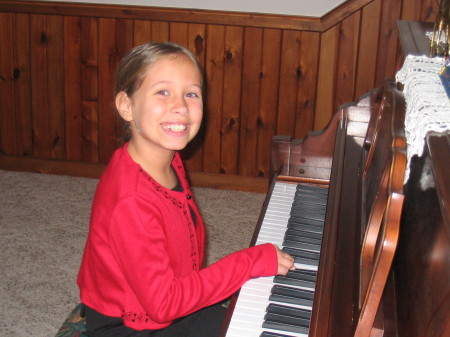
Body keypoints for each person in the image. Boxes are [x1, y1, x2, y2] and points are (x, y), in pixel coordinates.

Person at [77, 42, 295, 337]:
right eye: (162, 92)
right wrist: (248, 262)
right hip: (131, 325)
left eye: (191, 94)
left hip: (164, 298)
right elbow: (164, 305)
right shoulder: (131, 200)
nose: (180, 106)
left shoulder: (167, 158)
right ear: (126, 106)